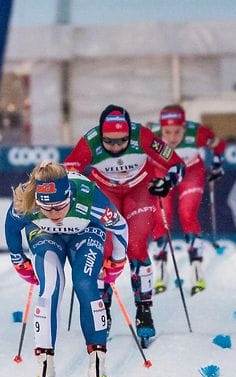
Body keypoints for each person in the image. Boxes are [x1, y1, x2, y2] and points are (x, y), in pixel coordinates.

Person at [5, 161, 129, 377]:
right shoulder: (27, 200)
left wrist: (117, 259)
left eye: (60, 207)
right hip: (45, 236)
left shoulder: (89, 198)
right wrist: (19, 261)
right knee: (49, 288)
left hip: (87, 232)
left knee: (85, 283)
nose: (53, 214)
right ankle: (44, 371)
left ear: (69, 196)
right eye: (46, 209)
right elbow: (11, 229)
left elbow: (121, 227)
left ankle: (97, 369)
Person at [64, 104, 184, 345]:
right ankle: (103, 308)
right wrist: (75, 195)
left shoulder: (142, 136)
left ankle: (144, 310)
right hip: (104, 190)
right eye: (109, 142)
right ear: (101, 136)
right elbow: (68, 172)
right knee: (104, 249)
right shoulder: (90, 142)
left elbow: (177, 165)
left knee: (136, 246)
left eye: (122, 142)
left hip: (140, 189)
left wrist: (166, 184)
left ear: (130, 134)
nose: (116, 147)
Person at [150, 104, 226, 295]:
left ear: (185, 127)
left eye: (178, 131)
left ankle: (196, 269)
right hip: (162, 171)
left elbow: (219, 145)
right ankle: (160, 268)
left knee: (187, 213)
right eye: (167, 132)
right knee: (162, 216)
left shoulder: (197, 133)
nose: (172, 137)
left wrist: (217, 165)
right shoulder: (151, 135)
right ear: (161, 129)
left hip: (190, 171)